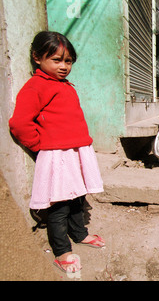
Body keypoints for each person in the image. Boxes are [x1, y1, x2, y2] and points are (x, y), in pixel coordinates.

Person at [9, 31, 105, 273]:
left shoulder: (63, 85)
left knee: (78, 197)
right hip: (57, 155)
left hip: (75, 152)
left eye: (68, 61)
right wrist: (41, 147)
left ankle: (79, 233)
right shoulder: (36, 86)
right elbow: (19, 124)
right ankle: (62, 251)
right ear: (37, 58)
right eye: (57, 60)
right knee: (59, 205)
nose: (64, 66)